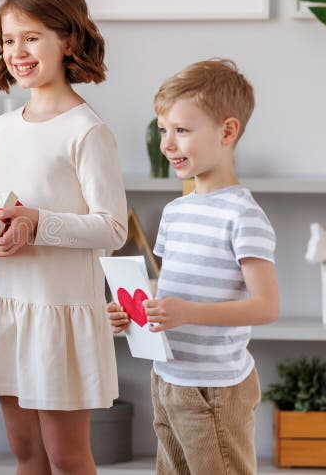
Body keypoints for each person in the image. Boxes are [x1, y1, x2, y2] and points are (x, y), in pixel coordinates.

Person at [0, 0, 127, 474]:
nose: (16, 51)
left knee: (66, 456)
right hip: (9, 306)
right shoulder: (2, 128)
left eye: (31, 37)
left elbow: (112, 228)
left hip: (58, 314)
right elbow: (0, 212)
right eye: (7, 39)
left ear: (68, 41)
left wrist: (37, 223)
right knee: (25, 452)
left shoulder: (88, 131)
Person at [107, 58, 279, 474]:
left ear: (227, 131)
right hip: (168, 378)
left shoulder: (244, 215)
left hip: (215, 387)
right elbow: (169, 293)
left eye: (182, 131)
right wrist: (131, 315)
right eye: (164, 130)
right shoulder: (176, 211)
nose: (167, 143)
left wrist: (189, 312)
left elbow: (266, 307)